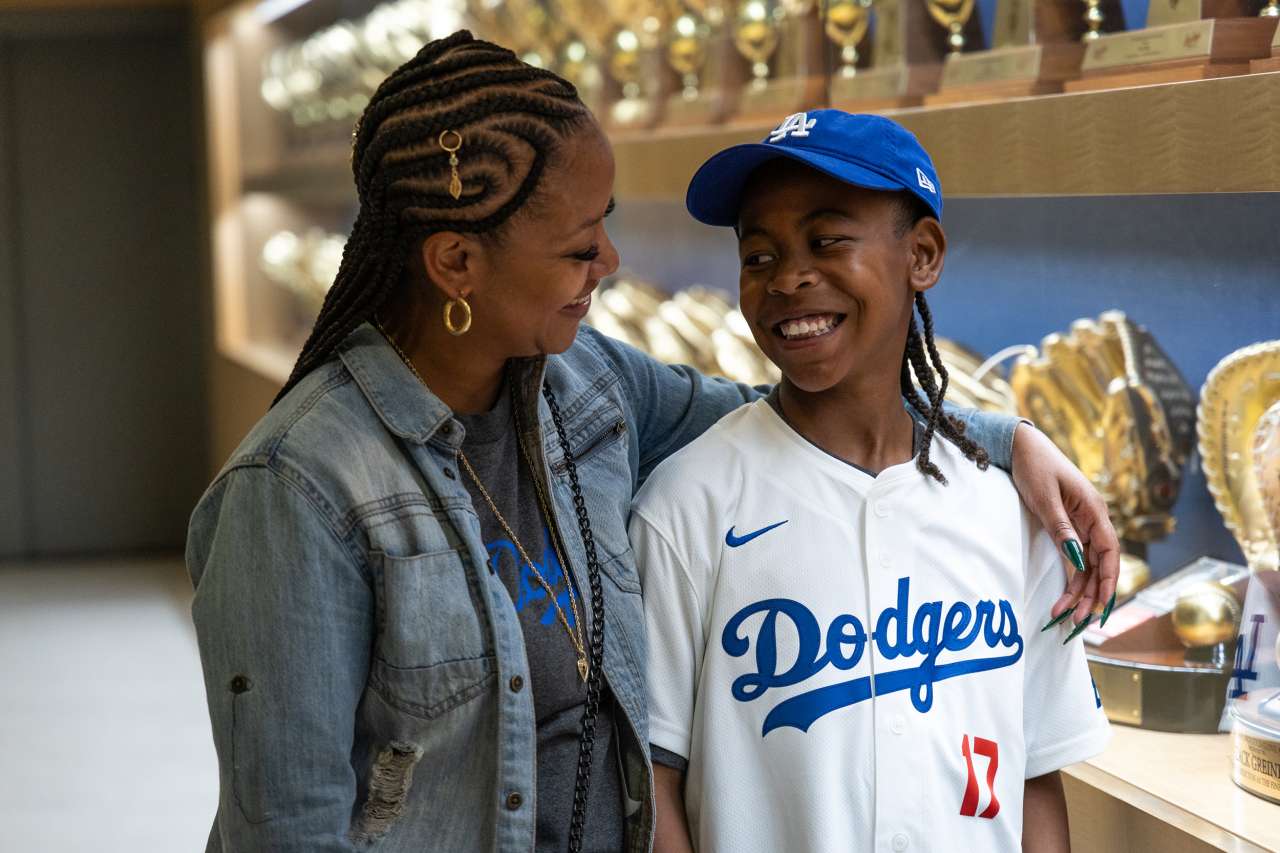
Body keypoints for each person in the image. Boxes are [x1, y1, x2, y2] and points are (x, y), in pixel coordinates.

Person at [185, 34, 1116, 852]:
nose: (610, 264)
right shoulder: (295, 488)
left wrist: (1001, 438)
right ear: (456, 264)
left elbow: (807, 404)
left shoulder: (586, 384)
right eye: (579, 246)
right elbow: (291, 829)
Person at [633, 110, 1114, 853]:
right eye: (758, 256)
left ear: (922, 254)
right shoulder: (687, 503)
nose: (788, 277)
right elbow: (656, 785)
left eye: (826, 241)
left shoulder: (1008, 508)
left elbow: (1034, 773)